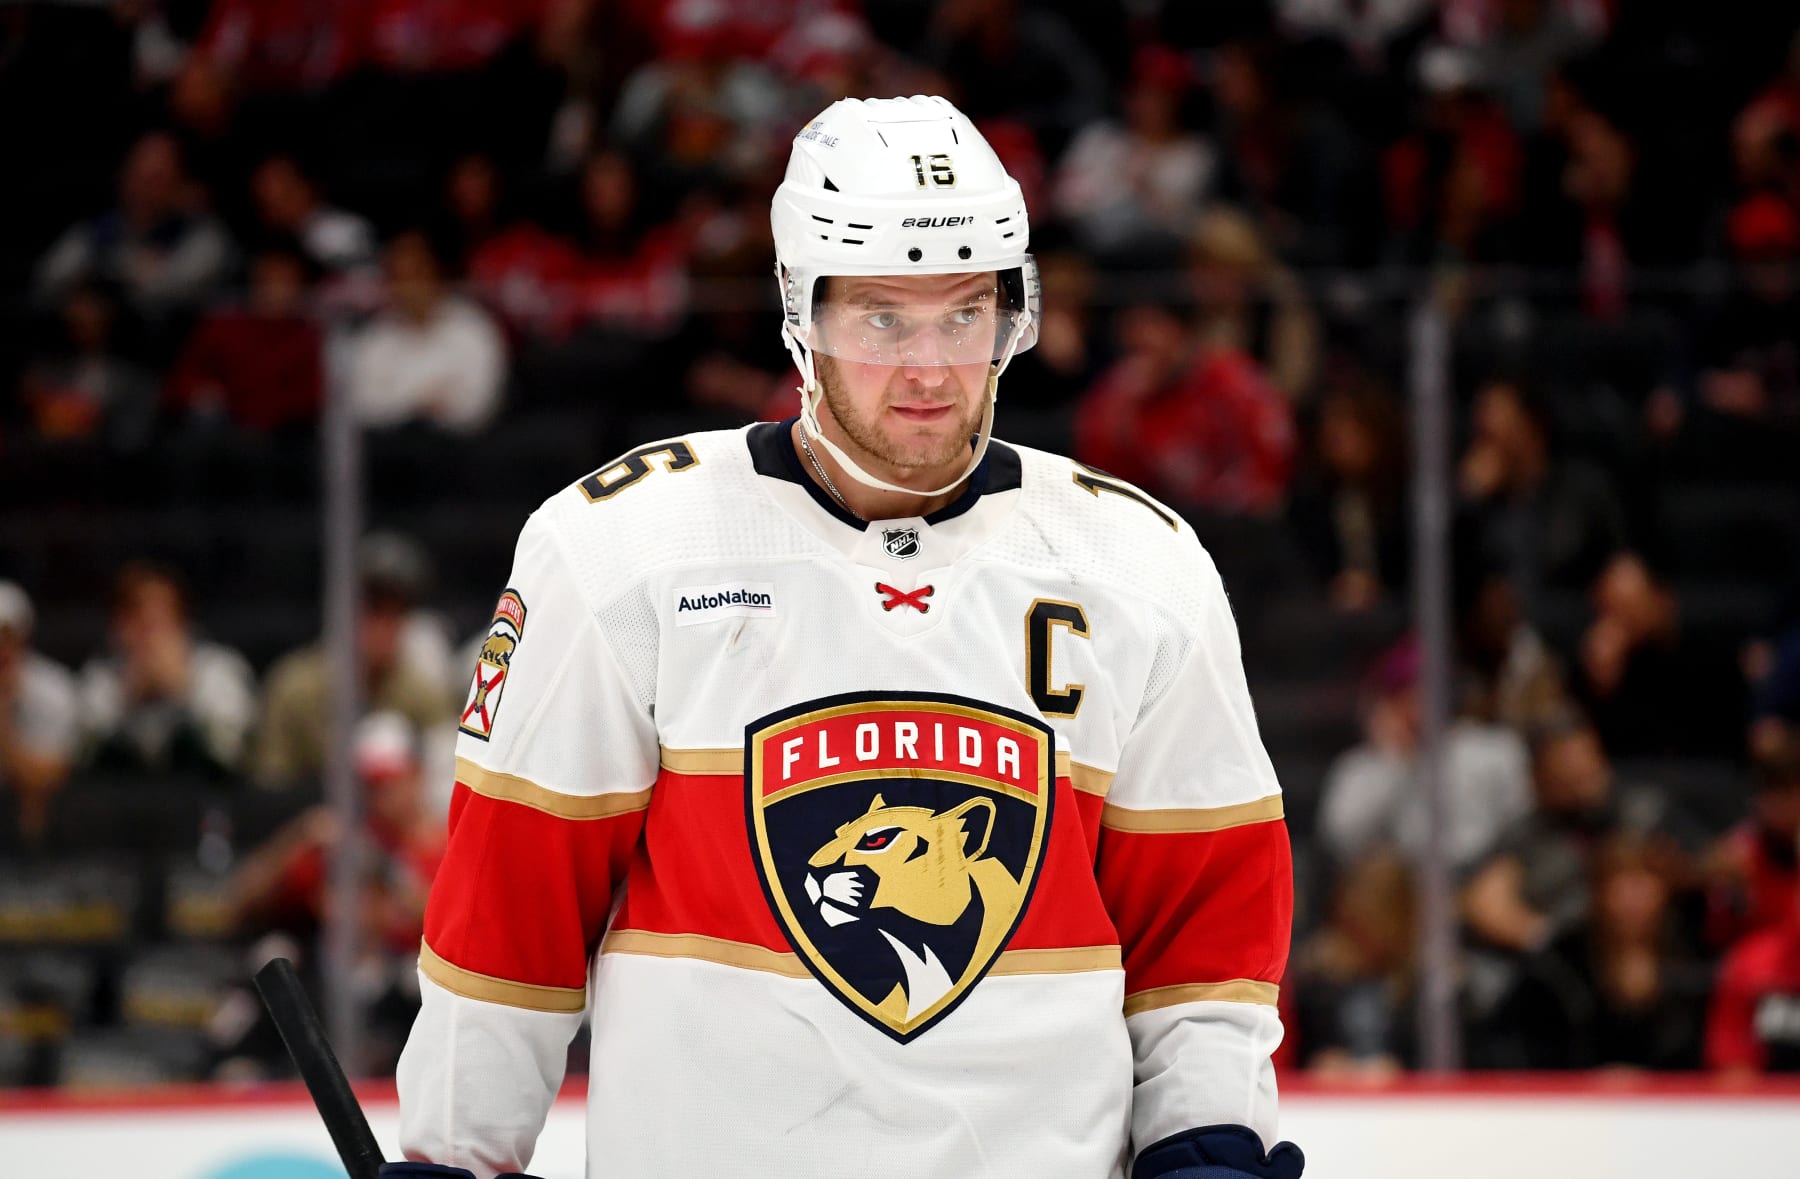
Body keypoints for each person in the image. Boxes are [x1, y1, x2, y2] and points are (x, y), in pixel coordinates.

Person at [388, 96, 1302, 1179]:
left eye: (965, 314)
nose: (930, 369)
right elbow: (509, 920)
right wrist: (454, 1157)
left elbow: (1203, 945)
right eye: (882, 318)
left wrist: (1209, 1146)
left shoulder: (1138, 568)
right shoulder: (621, 550)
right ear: (801, 312)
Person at [0, 582, 80, 839]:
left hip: (40, 836)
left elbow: (47, 778)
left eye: (7, 636)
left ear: (24, 636)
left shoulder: (53, 690)